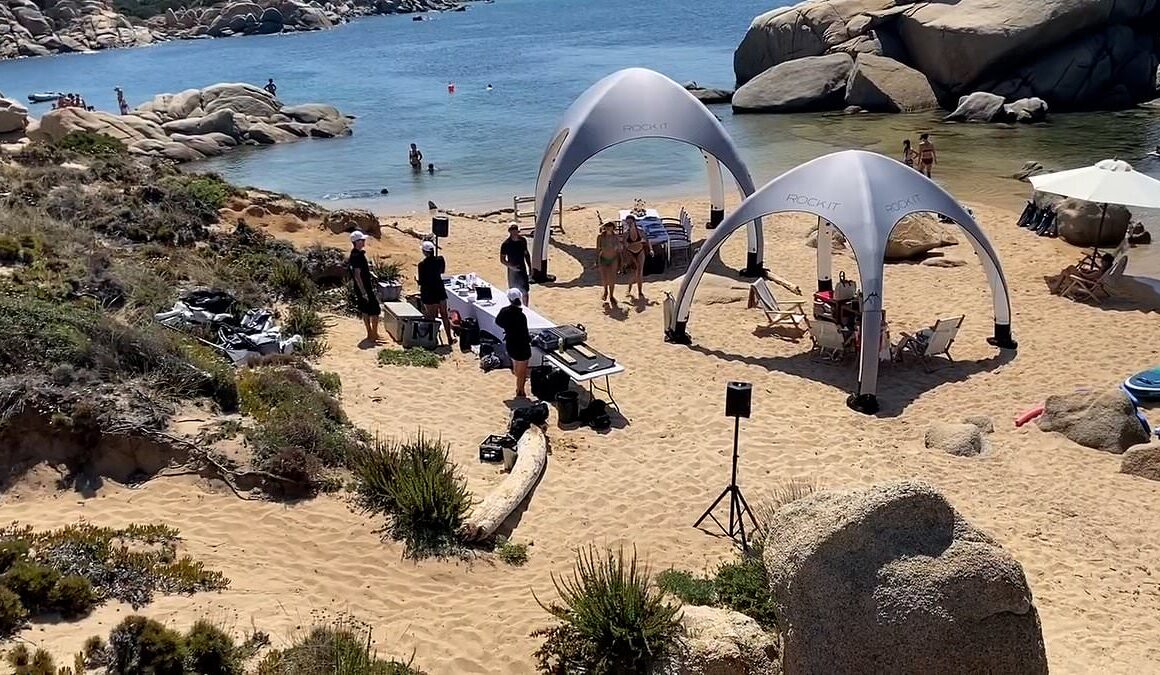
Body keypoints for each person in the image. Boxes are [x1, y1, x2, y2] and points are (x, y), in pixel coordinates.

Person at [496, 287, 532, 398]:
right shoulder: (521, 316)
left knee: (517, 368)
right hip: (522, 346)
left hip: (511, 343)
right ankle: (520, 391)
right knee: (521, 372)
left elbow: (498, 322)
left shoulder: (504, 311)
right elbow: (524, 334)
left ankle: (520, 389)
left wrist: (508, 328)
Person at [417, 240, 454, 344]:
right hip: (439, 290)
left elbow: (422, 281)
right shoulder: (440, 260)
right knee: (444, 315)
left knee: (431, 316)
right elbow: (442, 271)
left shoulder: (422, 265)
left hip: (428, 292)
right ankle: (449, 338)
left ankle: (431, 339)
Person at [347, 230, 381, 342]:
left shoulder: (357, 254)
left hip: (363, 286)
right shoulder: (356, 256)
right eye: (362, 240)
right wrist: (363, 292)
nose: (364, 241)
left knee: (365, 310)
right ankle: (374, 334)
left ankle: (370, 333)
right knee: (375, 310)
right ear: (356, 242)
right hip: (364, 287)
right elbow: (357, 275)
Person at [621, 214, 653, 299]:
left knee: (639, 272)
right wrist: (638, 242)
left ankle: (640, 291)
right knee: (635, 272)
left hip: (640, 252)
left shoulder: (640, 231)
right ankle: (629, 287)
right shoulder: (626, 234)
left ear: (634, 222)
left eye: (630, 222)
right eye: (628, 223)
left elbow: (647, 240)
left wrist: (651, 249)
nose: (629, 224)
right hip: (631, 253)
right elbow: (627, 246)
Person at [500, 222, 531, 305]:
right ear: (509, 231)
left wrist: (530, 267)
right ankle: (514, 307)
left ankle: (526, 308)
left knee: (525, 291)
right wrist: (511, 267)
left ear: (518, 231)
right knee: (513, 292)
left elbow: (526, 254)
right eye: (512, 230)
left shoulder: (522, 240)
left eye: (515, 230)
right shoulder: (506, 244)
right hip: (512, 271)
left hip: (522, 268)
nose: (514, 232)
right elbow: (502, 260)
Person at [596, 221, 620, 307]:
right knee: (604, 277)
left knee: (612, 278)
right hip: (603, 258)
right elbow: (598, 249)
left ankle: (611, 295)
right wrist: (596, 261)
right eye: (607, 226)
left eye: (610, 226)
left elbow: (619, 249)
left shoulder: (616, 236)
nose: (609, 227)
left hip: (613, 259)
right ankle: (605, 290)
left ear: (613, 227)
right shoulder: (600, 237)